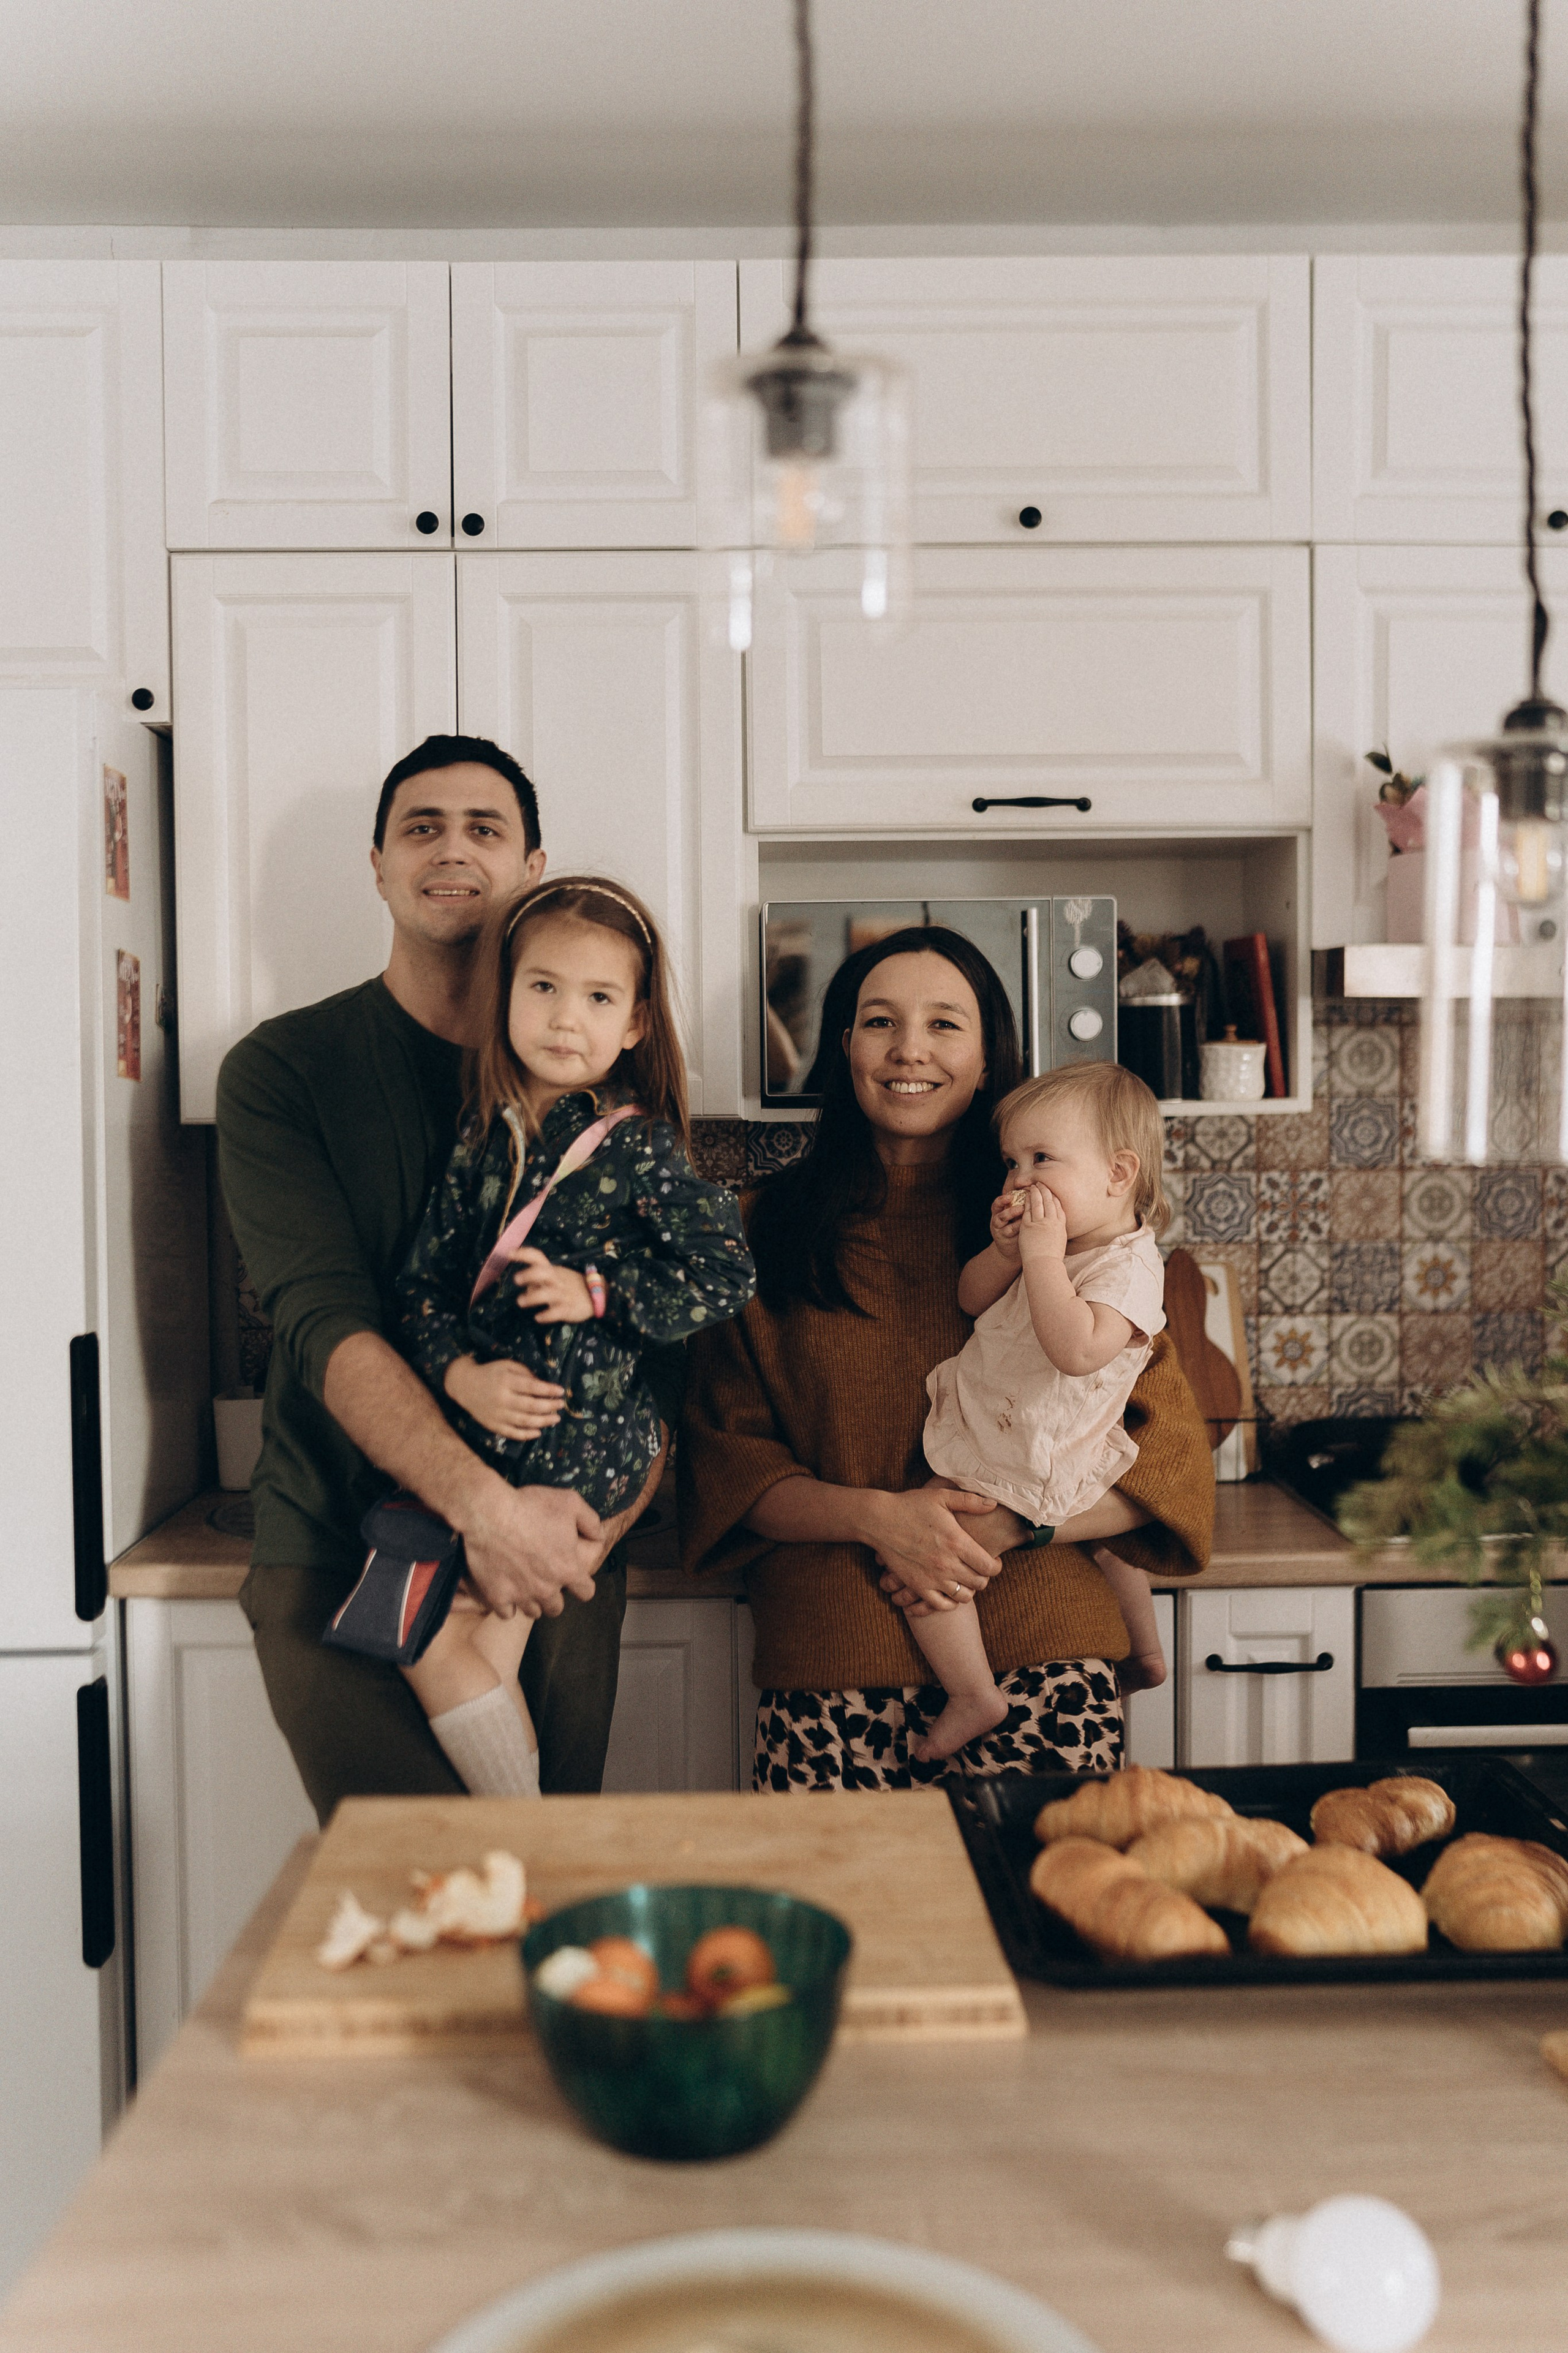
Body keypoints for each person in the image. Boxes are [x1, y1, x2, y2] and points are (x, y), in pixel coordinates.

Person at [216, 735, 681, 1824]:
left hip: (556, 1557)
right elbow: (327, 1327)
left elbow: (657, 1362)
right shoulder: (285, 1071)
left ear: (534, 868)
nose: (452, 849)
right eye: (422, 827)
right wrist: (485, 1512)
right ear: (377, 862)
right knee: (422, 1898)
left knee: (544, 1904)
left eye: (487, 828)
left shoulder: (604, 1100)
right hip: (341, 1553)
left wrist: (587, 1534)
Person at [678, 925, 1213, 1791]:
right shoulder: (757, 1228)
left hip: (1048, 1660)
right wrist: (878, 1518)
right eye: (879, 1021)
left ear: (988, 1054)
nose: (909, 1050)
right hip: (830, 1669)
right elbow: (723, 1460)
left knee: (1044, 1926)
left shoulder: (1068, 1227)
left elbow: (1172, 1461)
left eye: (945, 1024)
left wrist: (1021, 1522)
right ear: (843, 1046)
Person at [389, 875, 755, 1797]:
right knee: (463, 1658)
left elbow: (727, 1275)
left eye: (598, 998)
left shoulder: (639, 1147)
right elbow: (422, 1288)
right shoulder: (481, 1134)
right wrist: (460, 1374)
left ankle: (524, 1847)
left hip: (587, 1456)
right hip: (491, 1446)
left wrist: (598, 1291)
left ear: (634, 1024)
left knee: (442, 1651)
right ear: (505, 994)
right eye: (543, 988)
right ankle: (531, 1850)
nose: (565, 1018)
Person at [911, 1060, 1172, 1763]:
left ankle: (971, 1693)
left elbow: (1077, 1350)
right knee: (1103, 1540)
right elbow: (971, 1300)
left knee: (926, 1549)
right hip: (1047, 1438)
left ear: (1118, 1174)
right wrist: (1004, 1254)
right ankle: (1145, 1653)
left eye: (1042, 1159)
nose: (1019, 1179)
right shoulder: (1059, 1244)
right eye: (1011, 1161)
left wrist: (1041, 1256)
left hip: (1036, 1447)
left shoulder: (1128, 1269)